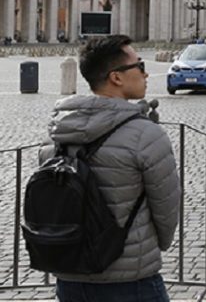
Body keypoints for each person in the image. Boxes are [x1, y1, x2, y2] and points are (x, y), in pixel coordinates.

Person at [40, 35, 180, 301]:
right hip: (131, 279)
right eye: (139, 66)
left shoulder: (56, 134)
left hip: (70, 276)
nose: (146, 72)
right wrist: (149, 248)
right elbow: (167, 207)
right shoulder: (146, 134)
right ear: (116, 77)